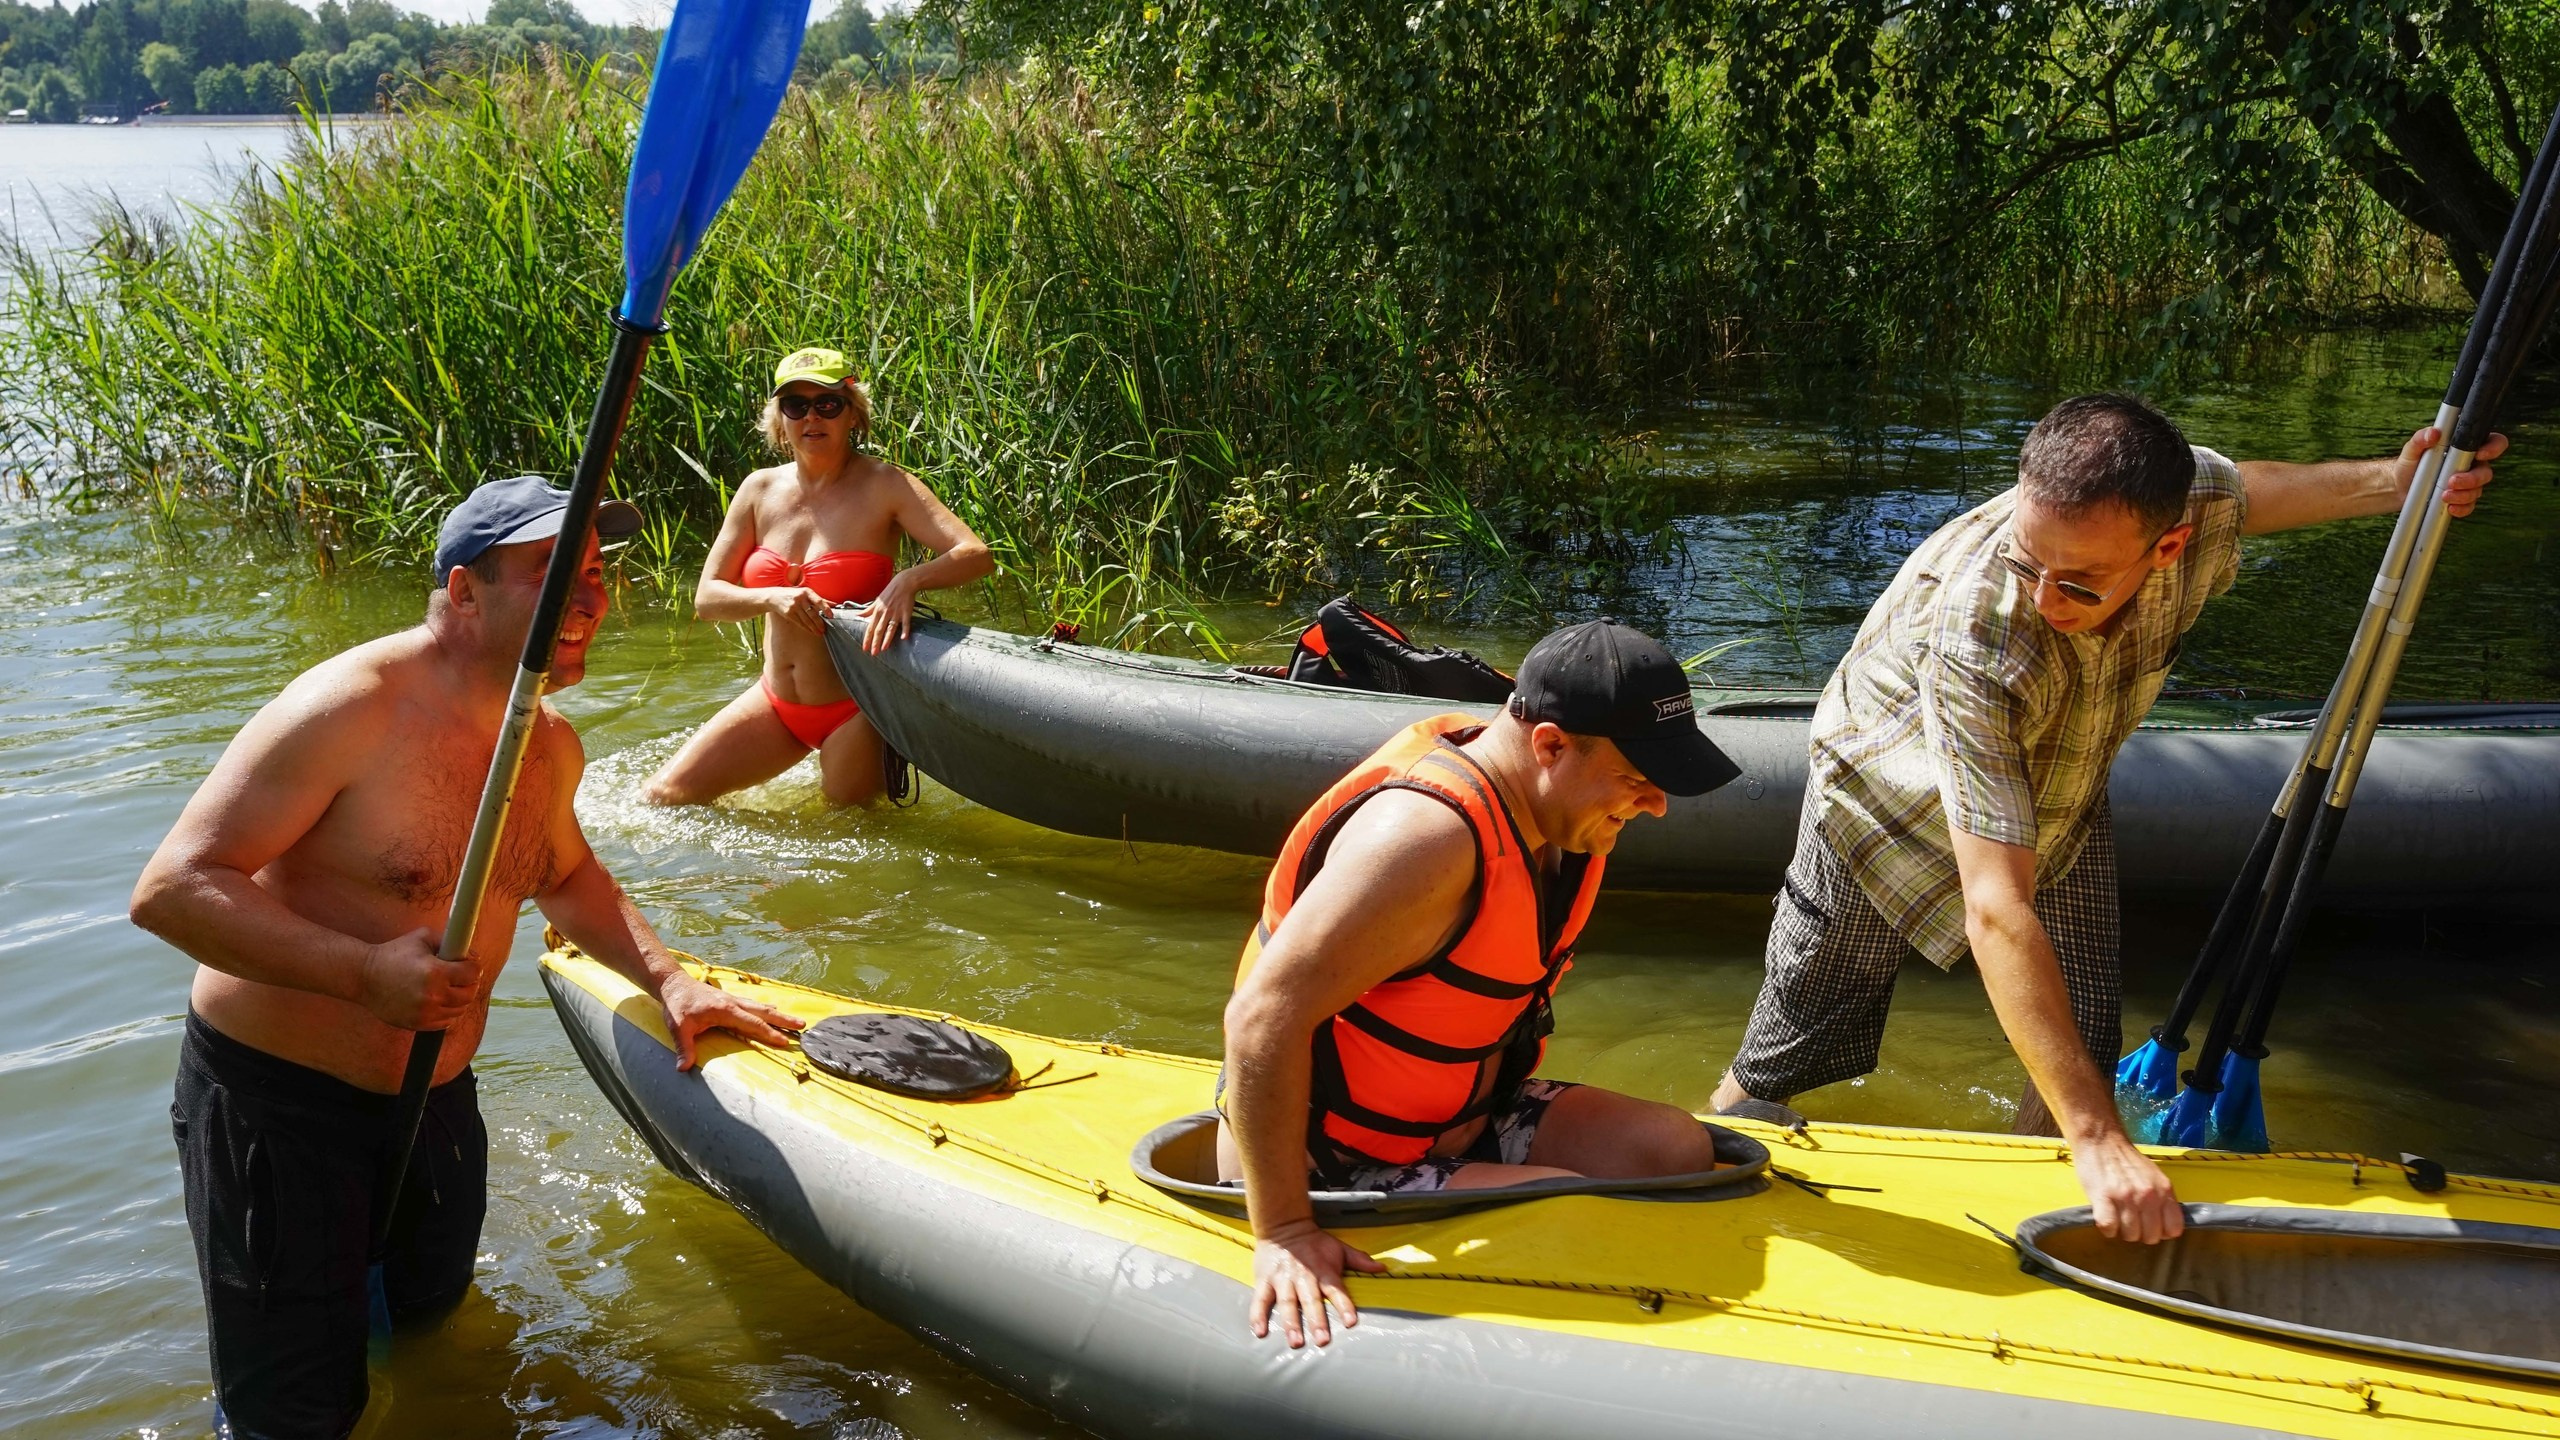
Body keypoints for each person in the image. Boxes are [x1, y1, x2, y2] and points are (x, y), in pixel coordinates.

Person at [1707, 394, 2502, 1245]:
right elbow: (1994, 906)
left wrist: (2396, 481)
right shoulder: (1976, 632)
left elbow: (2249, 495)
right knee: (1796, 1039)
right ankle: (1709, 1176)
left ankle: (2041, 1226)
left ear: (2169, 546)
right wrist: (2102, 1138)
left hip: (2062, 782)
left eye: (2080, 581)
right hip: (1884, 798)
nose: (2047, 597)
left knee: (2081, 1039)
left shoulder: (2184, 498)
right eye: (2027, 561)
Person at [132, 476, 807, 1440]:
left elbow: (565, 877)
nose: (590, 600)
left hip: (436, 1101)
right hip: (284, 1114)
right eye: (551, 574)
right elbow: (172, 888)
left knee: (429, 1342)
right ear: (463, 593)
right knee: (293, 1411)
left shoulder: (547, 743)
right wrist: (361, 974)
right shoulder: (347, 712)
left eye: (596, 573)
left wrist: (670, 979)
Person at [1220, 620, 1744, 1349]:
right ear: (1551, 745)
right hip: (1330, 1158)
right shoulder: (1421, 842)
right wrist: (1283, 1230)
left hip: (1457, 1121)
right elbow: (1258, 1020)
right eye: (1638, 778)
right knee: (1569, 1215)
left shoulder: (1553, 812)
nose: (1656, 803)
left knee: (1673, 1150)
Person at [643, 347, 993, 807]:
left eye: (827, 404)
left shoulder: (886, 485)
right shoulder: (758, 490)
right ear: (780, 419)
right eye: (796, 405)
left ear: (853, 414)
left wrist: (909, 580)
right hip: (775, 700)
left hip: (857, 708)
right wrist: (772, 599)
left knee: (848, 845)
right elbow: (708, 598)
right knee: (664, 797)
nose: (812, 417)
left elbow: (975, 554)